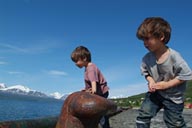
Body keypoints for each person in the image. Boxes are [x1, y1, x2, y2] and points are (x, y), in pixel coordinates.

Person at [135, 17, 192, 128]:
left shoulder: (174, 57)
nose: (145, 43)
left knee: (174, 123)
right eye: (143, 40)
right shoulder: (146, 58)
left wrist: (167, 85)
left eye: (147, 39)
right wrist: (151, 81)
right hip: (156, 93)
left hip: (173, 97)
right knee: (142, 116)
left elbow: (186, 75)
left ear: (161, 37)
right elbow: (146, 72)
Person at [71, 45, 110, 128]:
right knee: (100, 115)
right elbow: (91, 85)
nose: (75, 63)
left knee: (100, 115)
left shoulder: (90, 68)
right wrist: (86, 90)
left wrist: (93, 91)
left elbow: (94, 83)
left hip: (101, 93)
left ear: (84, 58)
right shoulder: (88, 68)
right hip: (101, 93)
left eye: (76, 60)